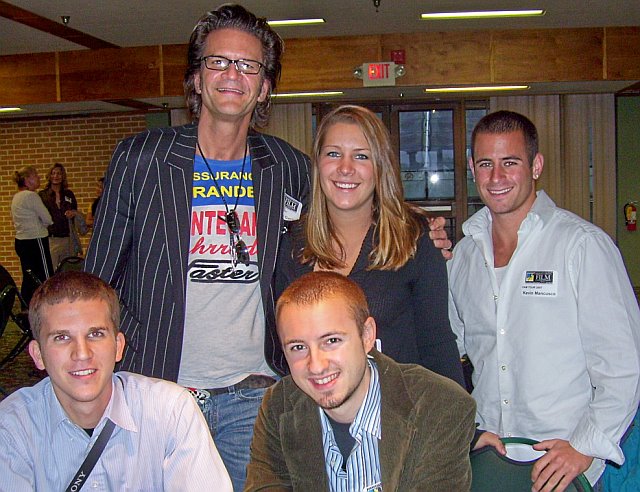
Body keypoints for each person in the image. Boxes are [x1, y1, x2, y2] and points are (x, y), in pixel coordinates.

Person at [83, 5, 309, 490]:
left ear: (265, 86)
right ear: (197, 78)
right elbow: (96, 285)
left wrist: (418, 235)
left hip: (252, 394)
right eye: (218, 61)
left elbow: (338, 233)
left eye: (249, 65)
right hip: (158, 389)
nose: (233, 74)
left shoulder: (286, 167)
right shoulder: (142, 160)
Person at [447, 110, 640, 491]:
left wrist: (585, 447)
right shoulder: (464, 257)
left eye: (510, 163)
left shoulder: (582, 246)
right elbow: (447, 352)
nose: (497, 177)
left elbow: (621, 366)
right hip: (488, 462)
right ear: (472, 168)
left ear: (536, 166)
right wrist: (465, 431)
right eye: (486, 164)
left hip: (562, 467)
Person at [275, 105, 464, 386]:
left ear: (380, 167)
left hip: (400, 418)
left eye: (361, 156)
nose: (345, 168)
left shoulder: (414, 239)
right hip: (317, 419)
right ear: (317, 164)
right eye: (333, 154)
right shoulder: (292, 245)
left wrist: (460, 426)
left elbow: (437, 345)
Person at [0, 271, 232, 491]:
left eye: (95, 334)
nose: (82, 353)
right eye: (62, 337)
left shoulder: (171, 411)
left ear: (118, 346)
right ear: (38, 354)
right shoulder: (12, 427)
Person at [246, 271, 476, 491]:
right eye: (298, 347)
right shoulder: (280, 405)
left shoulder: (439, 406)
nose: (315, 365)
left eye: (331, 340)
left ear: (367, 336)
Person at [10, 165, 53, 305]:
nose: (39, 178)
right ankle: (48, 304)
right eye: (35, 175)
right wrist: (42, 225)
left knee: (28, 276)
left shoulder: (16, 197)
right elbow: (47, 218)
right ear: (27, 180)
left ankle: (26, 305)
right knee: (45, 275)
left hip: (21, 241)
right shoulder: (31, 196)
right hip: (36, 240)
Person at [39, 163, 79, 268]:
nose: (56, 176)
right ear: (49, 176)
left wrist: (73, 213)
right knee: (52, 272)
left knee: (68, 272)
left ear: (63, 176)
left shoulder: (69, 194)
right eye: (53, 173)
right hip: (51, 240)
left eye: (59, 173)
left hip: (68, 239)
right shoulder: (42, 195)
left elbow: (76, 212)